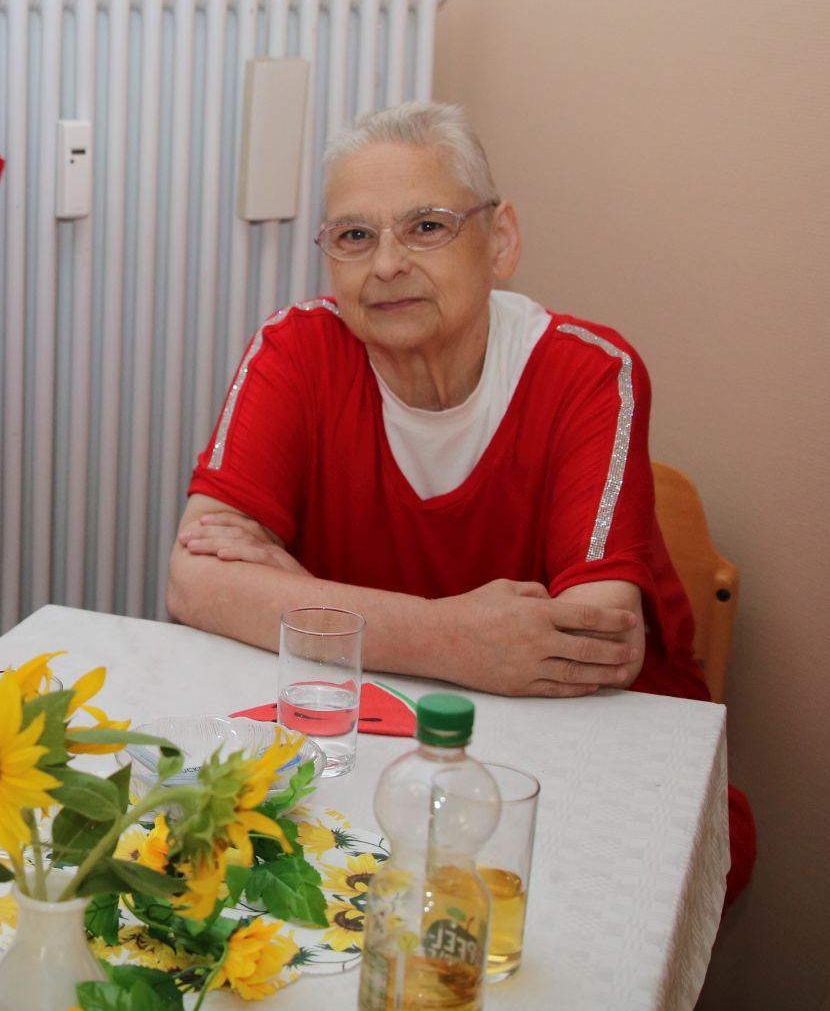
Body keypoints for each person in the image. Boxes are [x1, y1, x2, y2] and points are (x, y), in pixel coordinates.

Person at [167, 101, 753, 904]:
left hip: (588, 760)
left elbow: (587, 641)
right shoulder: (296, 349)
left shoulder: (588, 371)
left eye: (427, 227)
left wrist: (300, 599)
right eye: (354, 235)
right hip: (380, 745)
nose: (386, 264)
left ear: (500, 240)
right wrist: (460, 638)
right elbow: (195, 581)